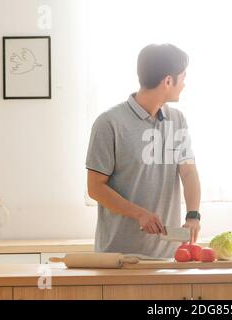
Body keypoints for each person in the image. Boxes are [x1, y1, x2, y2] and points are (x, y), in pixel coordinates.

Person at [86, 44, 201, 258]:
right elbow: (95, 187)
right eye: (182, 77)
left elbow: (188, 171)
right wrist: (139, 214)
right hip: (118, 257)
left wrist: (193, 215)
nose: (184, 84)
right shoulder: (109, 123)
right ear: (168, 81)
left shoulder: (177, 120)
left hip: (169, 256)